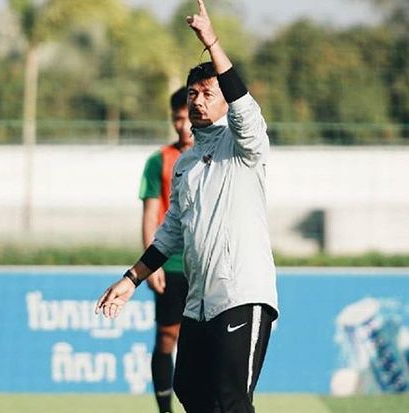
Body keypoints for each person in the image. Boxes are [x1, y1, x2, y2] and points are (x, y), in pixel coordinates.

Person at [96, 1, 278, 412]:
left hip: (242, 294)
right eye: (192, 93)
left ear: (225, 101)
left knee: (232, 401)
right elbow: (170, 232)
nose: (197, 100)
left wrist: (211, 42)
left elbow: (246, 110)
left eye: (207, 93)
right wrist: (131, 279)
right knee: (191, 391)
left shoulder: (244, 147)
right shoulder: (186, 163)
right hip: (199, 301)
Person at [139, 87, 193, 413]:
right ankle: (165, 410)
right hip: (170, 265)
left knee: (203, 342)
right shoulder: (159, 160)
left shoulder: (215, 155)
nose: (182, 125)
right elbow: (149, 215)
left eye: (186, 118)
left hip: (204, 264)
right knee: (166, 339)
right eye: (177, 118)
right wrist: (150, 265)